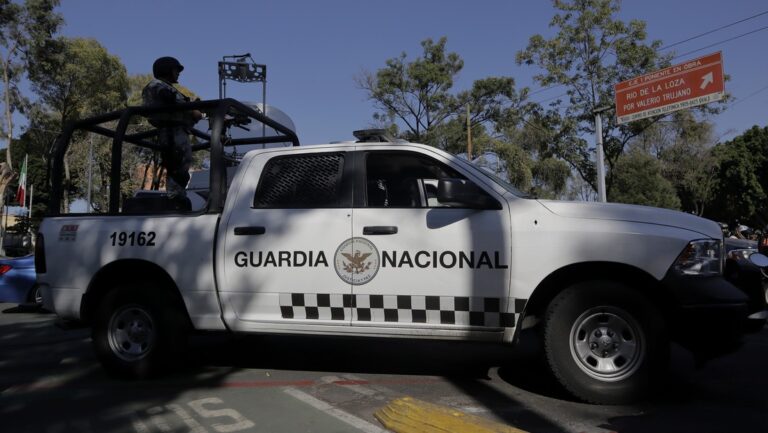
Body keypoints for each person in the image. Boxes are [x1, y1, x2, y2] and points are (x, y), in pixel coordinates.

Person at [142, 56, 203, 201]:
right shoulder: (156, 85)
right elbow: (171, 102)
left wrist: (193, 111)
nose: (178, 73)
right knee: (176, 165)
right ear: (166, 70)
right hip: (171, 132)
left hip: (178, 130)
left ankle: (178, 196)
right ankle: (175, 199)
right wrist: (191, 109)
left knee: (181, 166)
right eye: (176, 70)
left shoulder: (165, 87)